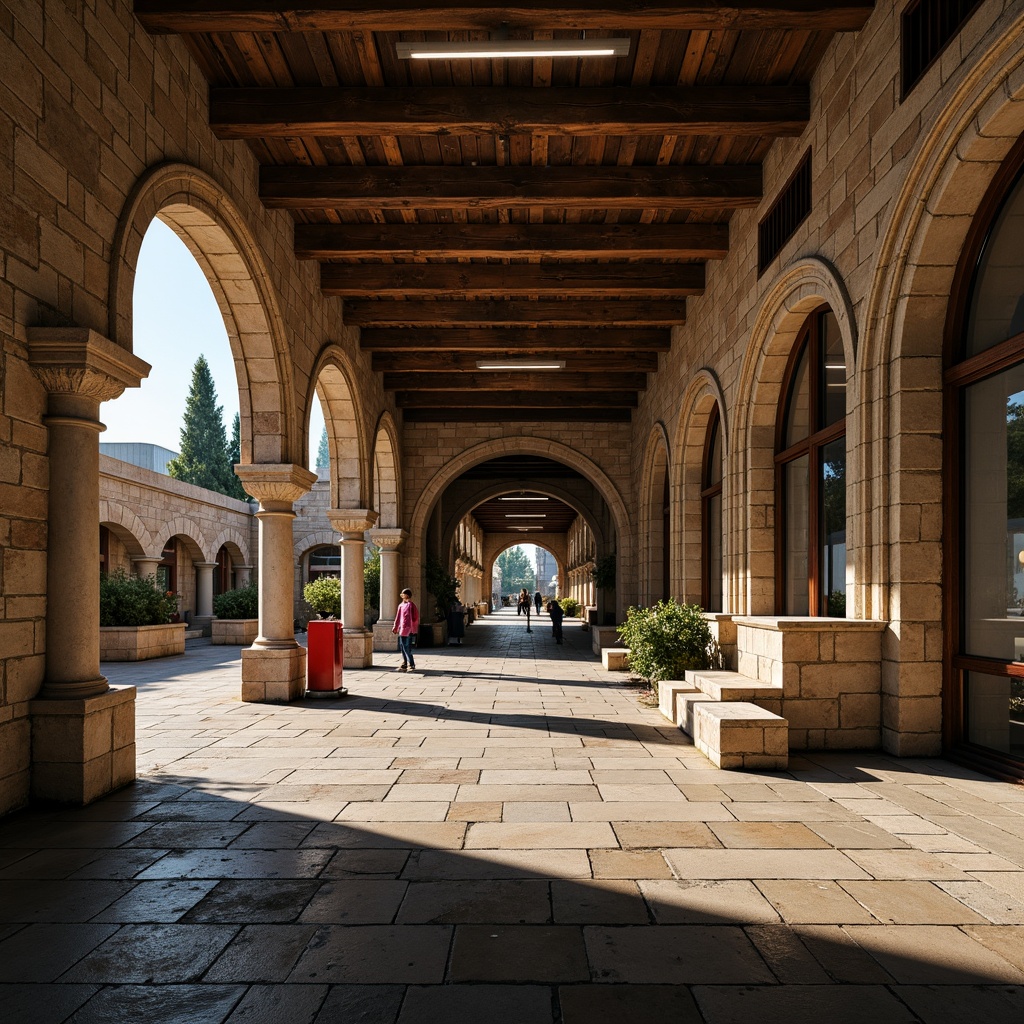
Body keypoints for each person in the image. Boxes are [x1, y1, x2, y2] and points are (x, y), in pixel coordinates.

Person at [392, 588, 419, 672]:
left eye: (403, 594)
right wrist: (395, 626)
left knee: (407, 647)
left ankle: (411, 664)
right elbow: (398, 617)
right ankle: (404, 663)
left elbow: (415, 617)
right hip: (402, 629)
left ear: (407, 595)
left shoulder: (411, 605)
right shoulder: (401, 605)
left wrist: (413, 627)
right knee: (402, 647)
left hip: (408, 629)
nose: (402, 596)